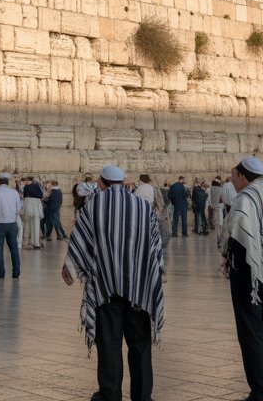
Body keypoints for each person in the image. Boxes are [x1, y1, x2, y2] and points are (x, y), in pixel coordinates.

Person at [62, 165, 165, 401]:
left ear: (102, 182)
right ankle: (143, 396)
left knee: (109, 344)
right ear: (122, 181)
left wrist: (69, 266)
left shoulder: (93, 205)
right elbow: (155, 244)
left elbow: (80, 238)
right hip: (138, 289)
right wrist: (155, 273)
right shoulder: (142, 206)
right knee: (140, 344)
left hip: (105, 288)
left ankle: (110, 395)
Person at [219, 156, 263, 401]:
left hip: (249, 272)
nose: (232, 181)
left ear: (242, 176)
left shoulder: (246, 198)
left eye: (233, 176)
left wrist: (227, 257)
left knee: (251, 332)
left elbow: (235, 236)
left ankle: (259, 392)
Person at [0, 174, 22, 278]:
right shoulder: (14, 192)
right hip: (11, 223)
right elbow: (18, 209)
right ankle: (16, 272)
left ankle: (1, 272)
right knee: (14, 248)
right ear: (7, 183)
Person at [22, 177, 45, 249]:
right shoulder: (37, 186)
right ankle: (36, 243)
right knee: (36, 225)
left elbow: (24, 196)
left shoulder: (26, 187)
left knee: (27, 225)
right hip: (36, 207)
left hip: (28, 205)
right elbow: (41, 195)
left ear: (28, 180)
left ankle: (27, 241)